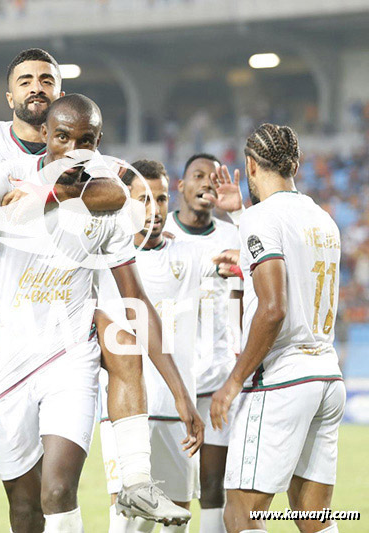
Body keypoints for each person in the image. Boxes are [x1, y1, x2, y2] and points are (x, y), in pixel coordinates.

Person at [0, 28, 192, 530]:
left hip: (56, 314)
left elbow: (114, 196)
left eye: (47, 79)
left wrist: (58, 198)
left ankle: (135, 479)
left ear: (61, 97)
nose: (36, 86)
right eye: (25, 79)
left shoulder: (92, 172)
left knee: (117, 325)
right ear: (11, 97)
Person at [0, 94, 202, 532]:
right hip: (10, 361)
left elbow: (136, 300)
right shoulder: (5, 178)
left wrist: (178, 389)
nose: (74, 148)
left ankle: (136, 482)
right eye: (62, 136)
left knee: (58, 490)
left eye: (86, 139)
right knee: (25, 509)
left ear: (98, 142)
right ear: (44, 133)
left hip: (70, 361)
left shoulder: (109, 204)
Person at [210, 124, 345, 533]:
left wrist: (233, 383)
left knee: (241, 516)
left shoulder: (263, 219)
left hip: (281, 381)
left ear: (249, 165)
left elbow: (273, 310)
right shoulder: (323, 219)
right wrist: (241, 215)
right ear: (296, 164)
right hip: (326, 377)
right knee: (315, 520)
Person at [98, 160, 240, 533]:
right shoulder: (103, 261)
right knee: (130, 521)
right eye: (143, 199)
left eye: (160, 199)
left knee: (176, 521)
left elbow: (243, 260)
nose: (155, 210)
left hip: (179, 412)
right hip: (126, 413)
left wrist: (241, 217)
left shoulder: (188, 256)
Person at [164, 153, 243, 533]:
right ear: (180, 186)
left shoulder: (234, 237)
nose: (206, 183)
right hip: (169, 380)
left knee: (213, 486)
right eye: (197, 175)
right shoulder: (157, 233)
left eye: (213, 178)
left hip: (217, 378)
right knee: (167, 488)